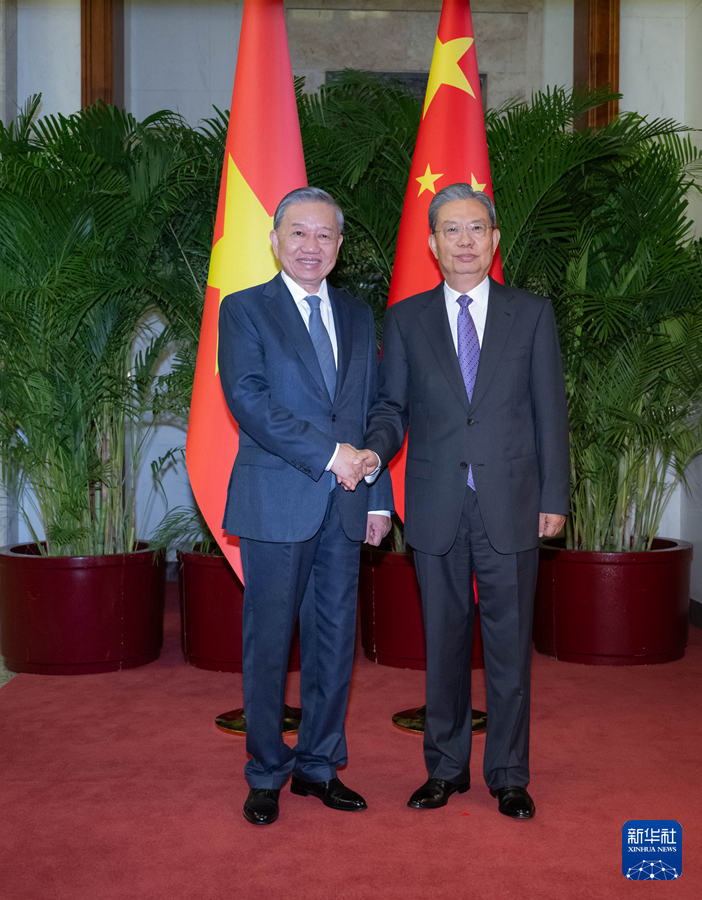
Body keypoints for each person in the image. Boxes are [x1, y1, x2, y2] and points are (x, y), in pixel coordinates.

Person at [356, 182, 570, 819]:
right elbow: (391, 407)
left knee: (509, 649)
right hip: (436, 505)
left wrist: (554, 495)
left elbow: (550, 412)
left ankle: (508, 774)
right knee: (443, 646)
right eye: (451, 229)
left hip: (513, 503)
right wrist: (372, 453)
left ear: (495, 239)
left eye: (476, 228)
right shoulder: (407, 319)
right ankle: (445, 769)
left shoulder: (531, 313)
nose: (465, 241)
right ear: (432, 244)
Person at [218, 187, 393, 826]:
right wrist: (331, 455)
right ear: (275, 240)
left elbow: (373, 407)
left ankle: (318, 766)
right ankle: (266, 770)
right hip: (276, 502)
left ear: (339, 246)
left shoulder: (358, 314)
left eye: (324, 235)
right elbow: (250, 402)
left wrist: (377, 496)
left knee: (334, 642)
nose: (311, 246)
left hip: (346, 507)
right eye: (298, 233)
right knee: (269, 642)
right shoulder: (245, 310)